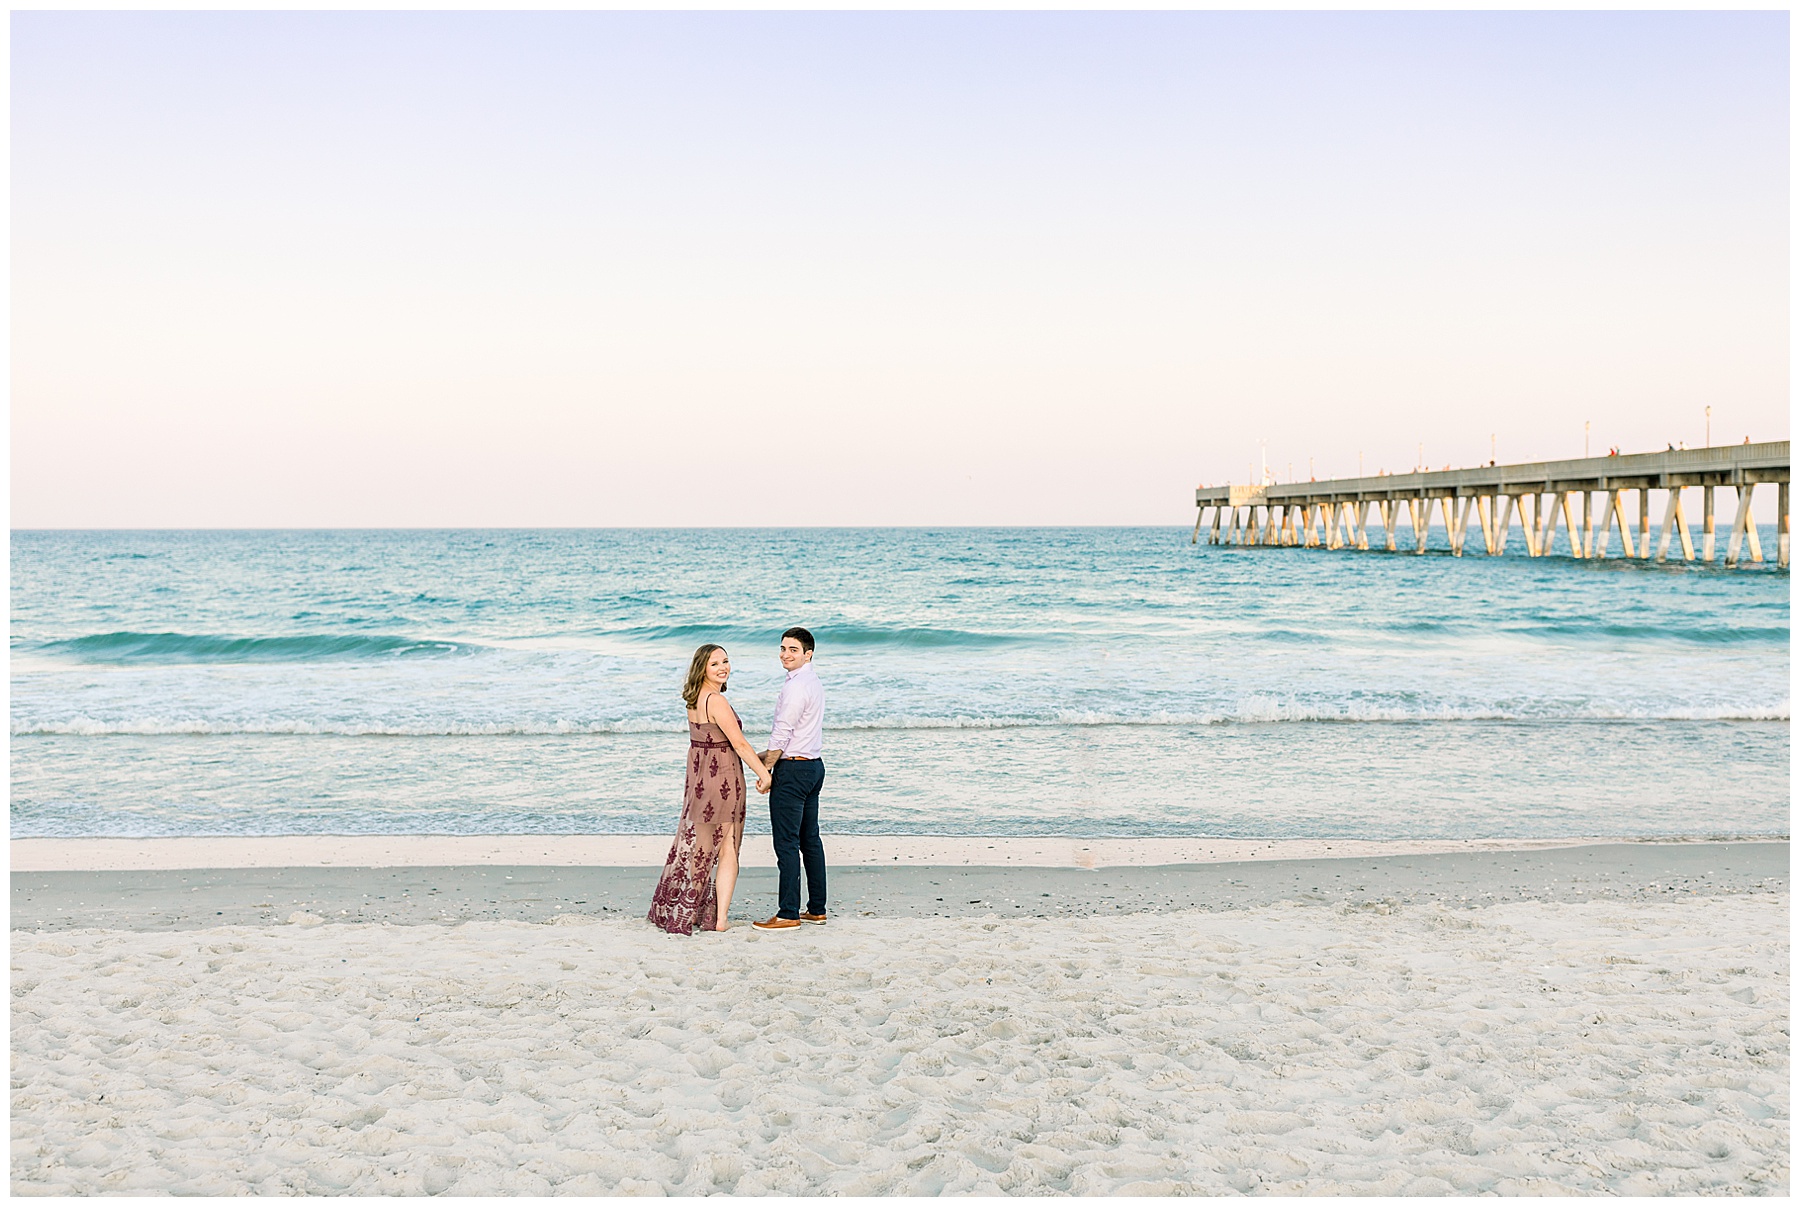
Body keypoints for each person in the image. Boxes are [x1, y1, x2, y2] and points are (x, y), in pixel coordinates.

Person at [647, 644, 770, 935]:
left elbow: (711, 742)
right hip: (724, 780)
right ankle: (720, 919)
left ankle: (687, 911)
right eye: (715, 663)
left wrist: (766, 756)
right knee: (728, 849)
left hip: (700, 781)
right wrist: (764, 773)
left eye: (725, 661)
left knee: (702, 849)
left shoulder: (694, 700)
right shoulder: (716, 700)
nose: (723, 667)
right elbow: (737, 744)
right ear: (702, 667)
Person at [752, 628, 827, 931]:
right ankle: (817, 909)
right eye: (782, 648)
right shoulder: (812, 682)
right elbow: (797, 734)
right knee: (810, 841)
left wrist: (765, 770)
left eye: (793, 649)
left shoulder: (796, 687)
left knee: (786, 843)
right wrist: (763, 757)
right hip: (813, 767)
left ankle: (788, 914)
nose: (785, 654)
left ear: (808, 654)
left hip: (794, 771)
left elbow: (783, 732)